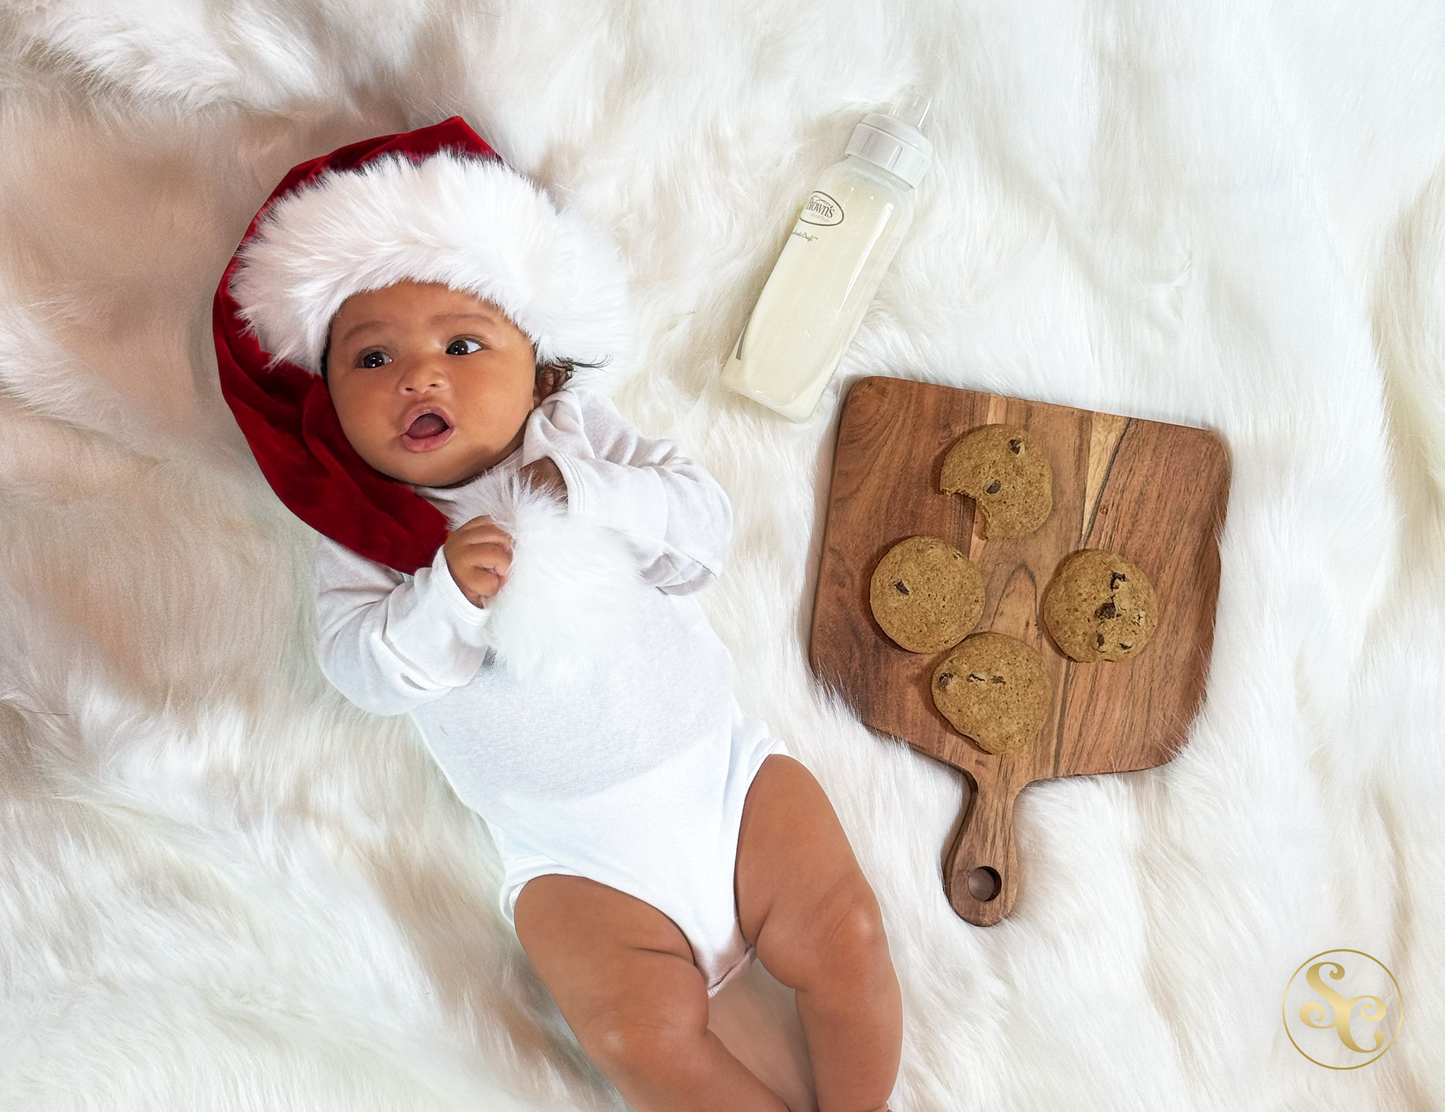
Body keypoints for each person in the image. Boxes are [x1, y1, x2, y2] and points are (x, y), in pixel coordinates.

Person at [216, 117, 902, 1112]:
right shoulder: (365, 534)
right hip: (572, 858)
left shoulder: (577, 435)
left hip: (720, 780)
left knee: (847, 931)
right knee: (636, 1035)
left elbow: (703, 532)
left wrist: (598, 495)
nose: (418, 374)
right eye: (370, 359)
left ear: (538, 365)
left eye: (461, 342)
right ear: (323, 401)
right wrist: (440, 597)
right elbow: (360, 673)